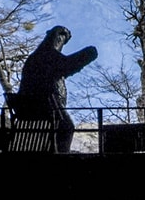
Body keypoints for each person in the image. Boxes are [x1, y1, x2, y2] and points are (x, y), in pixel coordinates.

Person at [18, 25, 98, 153]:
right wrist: (88, 54)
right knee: (67, 127)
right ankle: (60, 159)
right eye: (61, 35)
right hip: (45, 108)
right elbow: (67, 65)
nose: (61, 40)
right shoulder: (45, 55)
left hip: (34, 109)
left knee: (63, 127)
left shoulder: (37, 57)